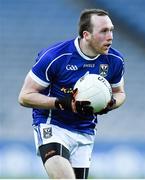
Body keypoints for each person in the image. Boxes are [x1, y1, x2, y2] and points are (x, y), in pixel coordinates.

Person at [18, 8, 126, 179]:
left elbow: (120, 93)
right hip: (52, 125)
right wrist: (61, 103)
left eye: (111, 30)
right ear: (86, 35)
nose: (110, 36)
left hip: (85, 131)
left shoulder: (115, 60)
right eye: (104, 31)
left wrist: (111, 103)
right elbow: (24, 96)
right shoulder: (55, 56)